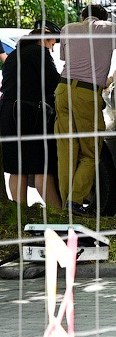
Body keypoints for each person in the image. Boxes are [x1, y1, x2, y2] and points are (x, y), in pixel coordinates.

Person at [55, 4, 116, 215]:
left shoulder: (67, 29)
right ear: (103, 17)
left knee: (66, 150)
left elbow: (66, 59)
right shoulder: (110, 28)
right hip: (87, 92)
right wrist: (111, 79)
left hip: (63, 90)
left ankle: (65, 205)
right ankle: (74, 201)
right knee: (91, 152)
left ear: (82, 16)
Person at [0, 22, 63, 209]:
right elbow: (54, 82)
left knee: (17, 168)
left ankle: (19, 211)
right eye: (52, 44)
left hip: (8, 112)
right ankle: (57, 212)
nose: (52, 49)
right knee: (42, 165)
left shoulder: (14, 56)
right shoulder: (39, 53)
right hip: (30, 113)